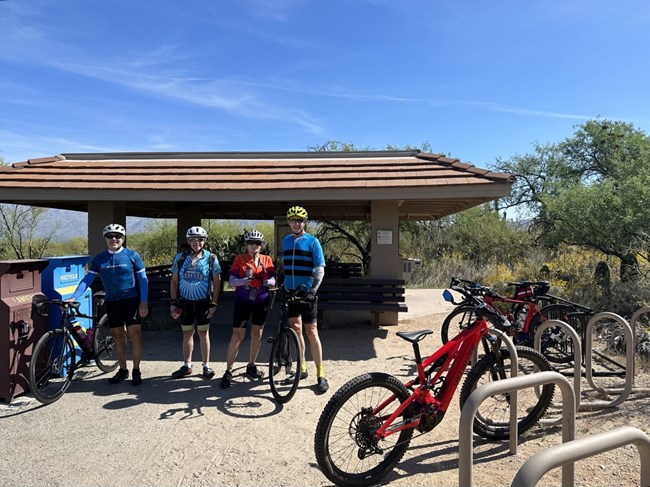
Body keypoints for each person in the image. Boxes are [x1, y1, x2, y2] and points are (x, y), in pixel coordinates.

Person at [69, 223, 148, 386]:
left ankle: (136, 370)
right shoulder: (99, 259)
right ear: (105, 239)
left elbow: (143, 280)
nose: (114, 239)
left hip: (131, 301)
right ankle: (123, 370)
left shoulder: (132, 256)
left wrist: (144, 302)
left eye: (118, 236)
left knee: (135, 335)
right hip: (112, 302)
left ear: (123, 238)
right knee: (118, 337)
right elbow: (87, 280)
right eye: (110, 236)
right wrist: (74, 296)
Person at [220, 229, 276, 388]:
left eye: (257, 243)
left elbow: (273, 280)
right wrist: (245, 281)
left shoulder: (266, 259)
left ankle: (251, 364)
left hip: (261, 301)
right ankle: (228, 370)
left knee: (257, 333)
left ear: (261, 245)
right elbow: (231, 280)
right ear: (246, 245)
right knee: (237, 335)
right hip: (243, 301)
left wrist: (262, 282)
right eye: (251, 243)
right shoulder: (240, 259)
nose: (254, 246)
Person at [282, 205, 329, 393]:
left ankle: (320, 373)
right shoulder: (285, 241)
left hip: (307, 292)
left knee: (312, 331)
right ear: (288, 222)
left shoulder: (313, 242)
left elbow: (320, 268)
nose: (296, 223)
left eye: (300, 220)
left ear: (305, 222)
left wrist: (314, 290)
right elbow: (284, 266)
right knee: (296, 329)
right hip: (291, 292)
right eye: (293, 220)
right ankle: (302, 367)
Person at [169, 226, 221, 379]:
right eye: (192, 239)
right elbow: (174, 281)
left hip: (203, 302)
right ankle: (187, 365)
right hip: (185, 302)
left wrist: (214, 304)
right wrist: (173, 302)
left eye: (200, 239)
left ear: (204, 241)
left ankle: (206, 366)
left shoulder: (211, 258)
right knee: (187, 334)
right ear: (188, 241)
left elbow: (217, 283)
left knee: (203, 333)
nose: (196, 242)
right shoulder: (180, 258)